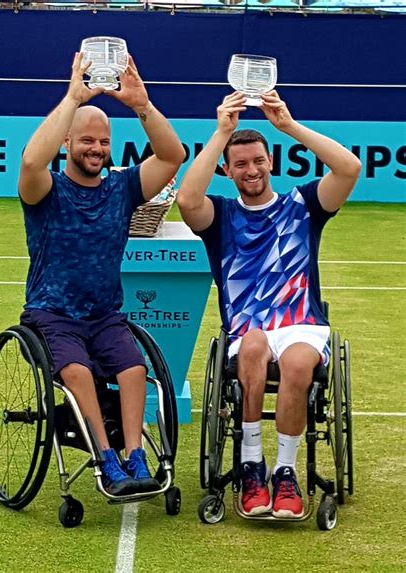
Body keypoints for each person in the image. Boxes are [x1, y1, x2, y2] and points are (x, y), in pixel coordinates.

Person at [177, 90, 361, 517]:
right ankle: (251, 465)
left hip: (301, 324)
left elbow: (349, 168)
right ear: (227, 170)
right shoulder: (220, 215)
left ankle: (284, 473)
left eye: (258, 160)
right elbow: (186, 201)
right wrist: (221, 132)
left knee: (298, 363)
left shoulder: (304, 205)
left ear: (270, 162)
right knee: (256, 344)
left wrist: (289, 127)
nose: (251, 169)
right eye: (239, 163)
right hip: (248, 330)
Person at [18, 52, 185, 496]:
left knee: (133, 369)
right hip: (51, 316)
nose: (96, 149)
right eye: (86, 141)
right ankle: (104, 458)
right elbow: (32, 162)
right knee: (75, 372)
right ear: (68, 142)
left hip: (105, 316)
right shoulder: (46, 190)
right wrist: (73, 97)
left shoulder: (122, 187)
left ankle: (135, 456)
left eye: (104, 142)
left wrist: (143, 106)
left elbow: (173, 156)